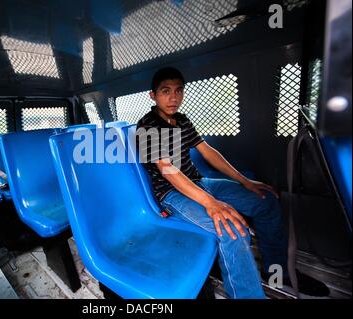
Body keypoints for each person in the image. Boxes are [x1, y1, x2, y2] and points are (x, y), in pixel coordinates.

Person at [136, 67, 329, 298]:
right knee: (231, 230)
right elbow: (167, 170)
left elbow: (207, 151)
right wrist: (211, 203)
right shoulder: (148, 126)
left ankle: (277, 271)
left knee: (265, 201)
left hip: (200, 182)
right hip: (172, 194)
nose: (174, 97)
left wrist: (244, 181)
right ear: (153, 96)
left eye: (178, 90)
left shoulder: (182, 121)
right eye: (165, 91)